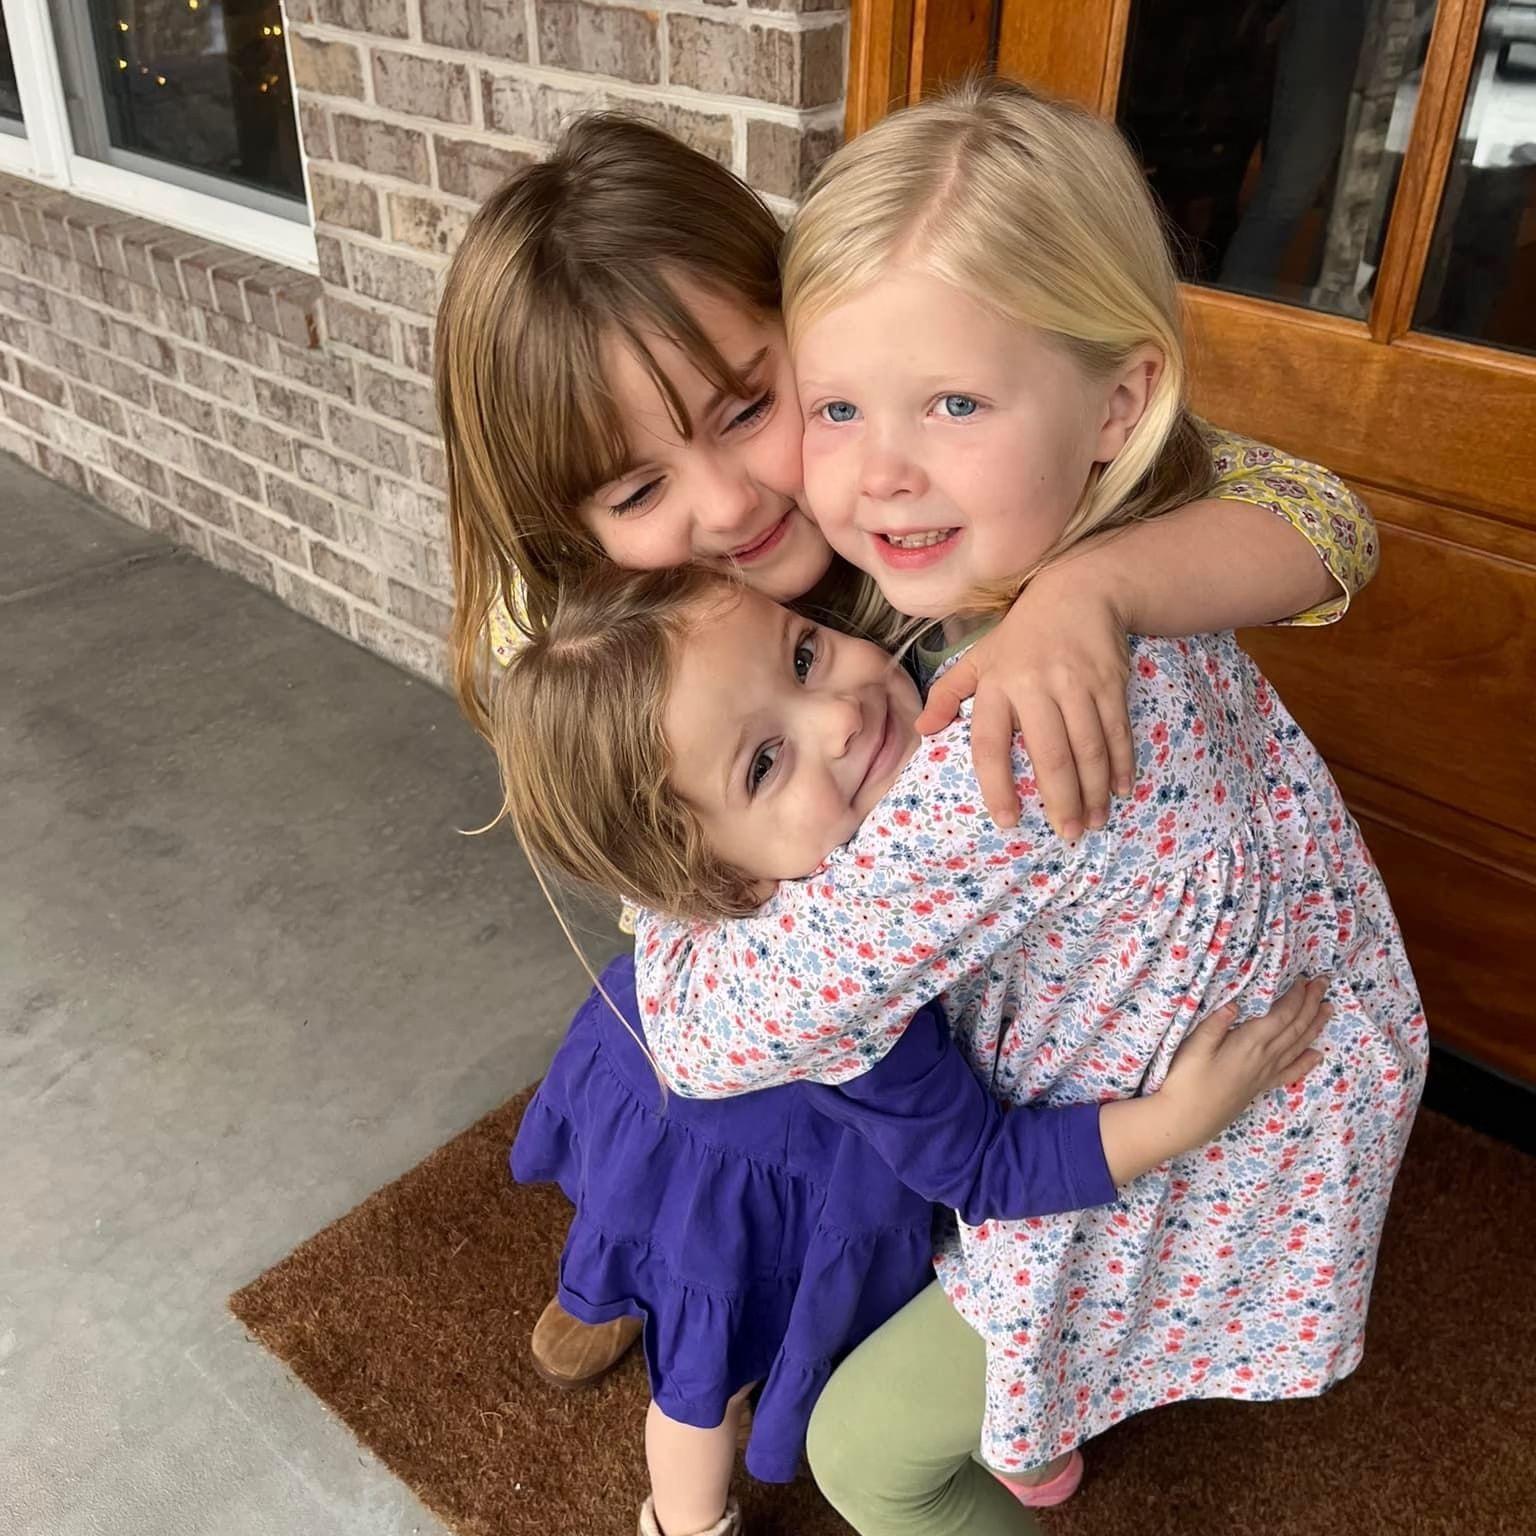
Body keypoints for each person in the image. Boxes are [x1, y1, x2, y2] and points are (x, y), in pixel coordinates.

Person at [434, 108, 1379, 1396]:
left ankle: (741, 1301)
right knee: (663, 1122)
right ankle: (623, 1269)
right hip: (753, 956)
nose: (729, 501)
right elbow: (679, 952)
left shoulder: (929, 488)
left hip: (914, 1003)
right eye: (638, 489)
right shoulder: (577, 618)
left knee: (834, 1168)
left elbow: (1322, 516)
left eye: (752, 407)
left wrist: (1090, 589)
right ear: (570, 523)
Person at [622, 79, 1428, 1536]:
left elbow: (703, 1036)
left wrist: (659, 849)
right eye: (835, 406)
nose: (881, 471)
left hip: (1199, 1145)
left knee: (870, 1459)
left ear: (1118, 402)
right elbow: (1317, 517)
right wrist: (1094, 585)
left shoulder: (1002, 764)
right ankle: (1037, 1415)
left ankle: (1036, 1399)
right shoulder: (1116, 535)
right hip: (1275, 1019)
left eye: (954, 403)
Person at [494, 566, 1331, 1536]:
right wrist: (1177, 1119)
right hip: (728, 1172)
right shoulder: (834, 983)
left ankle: (1030, 1443)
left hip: (721, 1087)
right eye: (762, 765)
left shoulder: (888, 753)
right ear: (721, 879)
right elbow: (982, 1165)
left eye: (803, 654)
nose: (838, 717)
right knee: (707, 1357)